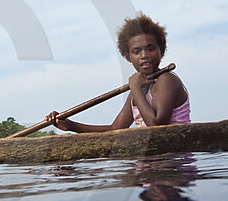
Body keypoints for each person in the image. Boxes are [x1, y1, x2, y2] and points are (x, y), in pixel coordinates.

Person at [45, 14, 191, 132]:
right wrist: (71, 126)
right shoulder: (139, 87)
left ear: (162, 51)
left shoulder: (166, 80)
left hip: (174, 163)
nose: (144, 55)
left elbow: (157, 127)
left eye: (150, 48)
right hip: (151, 162)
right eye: (136, 51)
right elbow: (115, 129)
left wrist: (135, 88)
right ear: (128, 57)